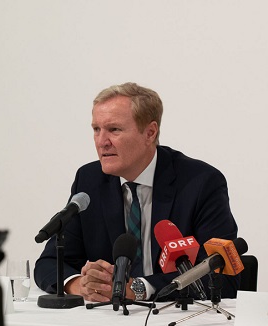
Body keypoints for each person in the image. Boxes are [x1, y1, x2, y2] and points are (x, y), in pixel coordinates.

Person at [34, 82, 239, 302]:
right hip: (108, 323)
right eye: (96, 129)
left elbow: (220, 276)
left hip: (175, 324)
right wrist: (79, 284)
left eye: (114, 130)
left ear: (150, 133)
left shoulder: (201, 183)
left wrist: (141, 288)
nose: (102, 142)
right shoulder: (89, 180)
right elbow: (48, 263)